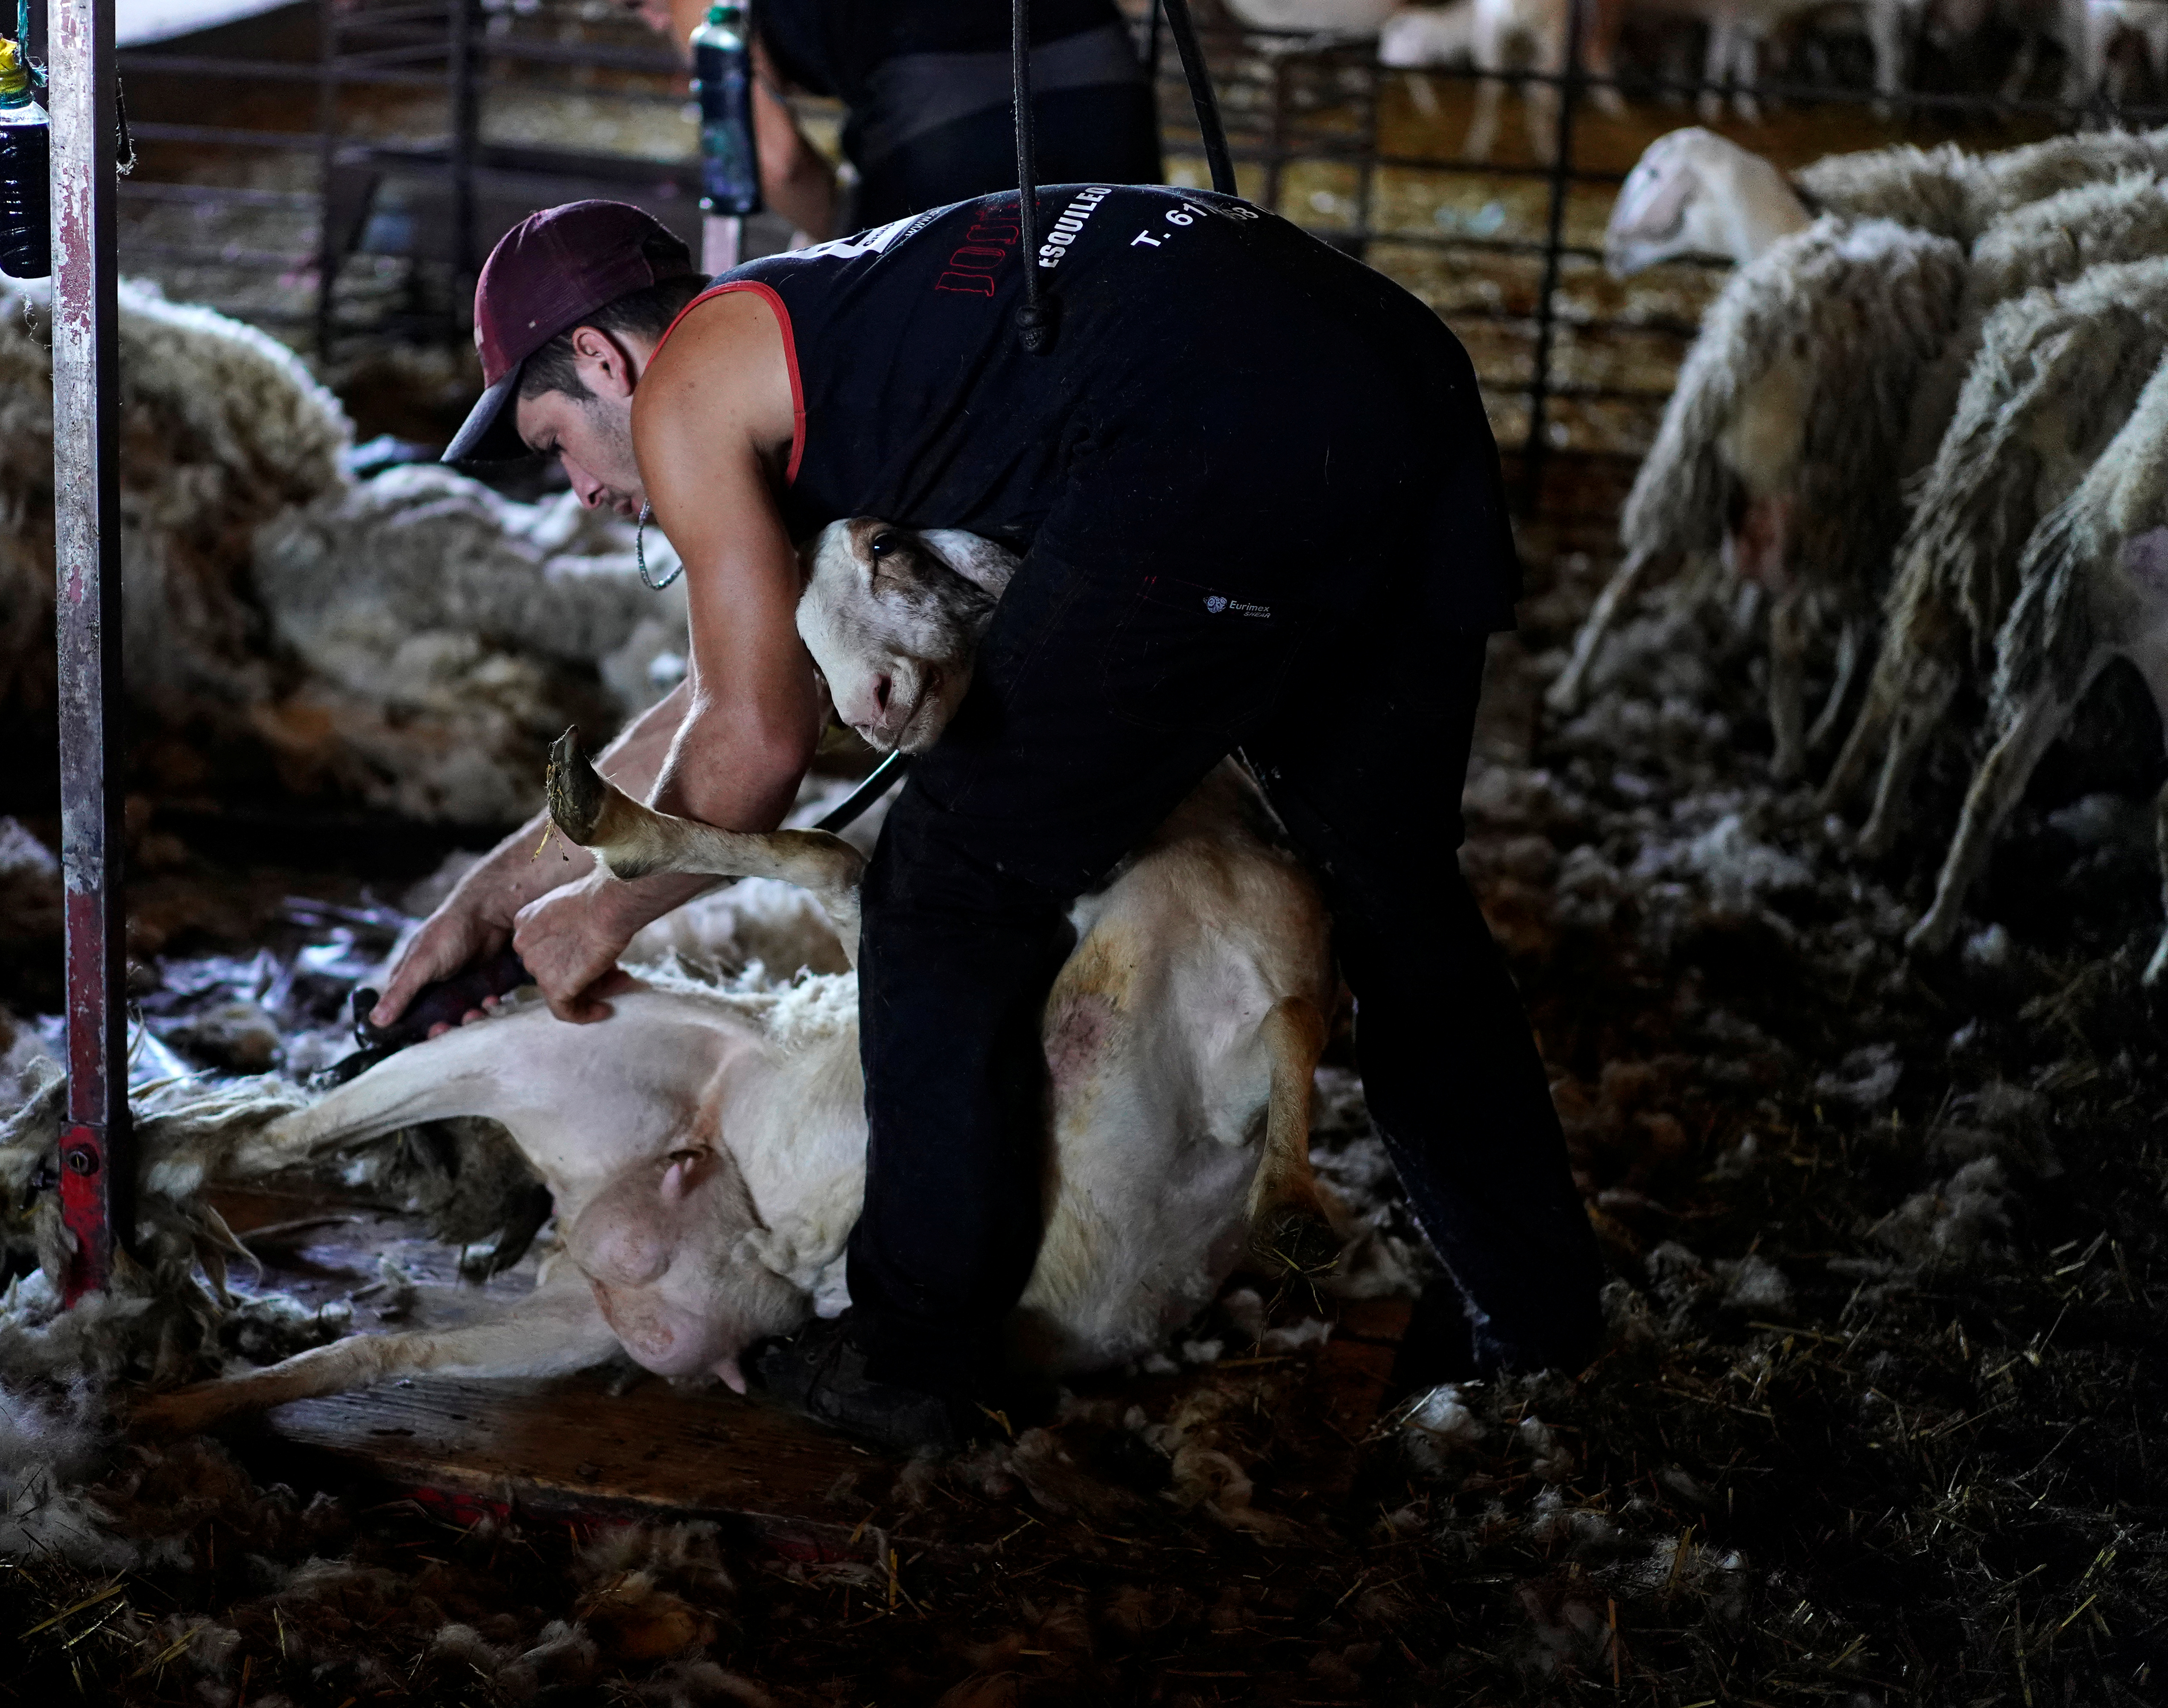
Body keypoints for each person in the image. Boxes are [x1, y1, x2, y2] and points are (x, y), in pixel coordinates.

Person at [373, 193, 1604, 1449]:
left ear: (603, 360)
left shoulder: (688, 389)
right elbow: (711, 700)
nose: (577, 488)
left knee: (947, 887)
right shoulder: (814, 323)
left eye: (554, 441)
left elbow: (753, 751)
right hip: (1389, 372)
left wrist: (607, 916)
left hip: (1206, 429)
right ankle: (1542, 1324)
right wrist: (492, 896)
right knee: (1394, 898)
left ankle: (911, 1347)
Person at [626, 0, 1160, 236]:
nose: (655, 24)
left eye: (637, 6)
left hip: (948, 123)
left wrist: (840, 247)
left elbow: (774, 162)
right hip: (1107, 81)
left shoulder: (690, 6)